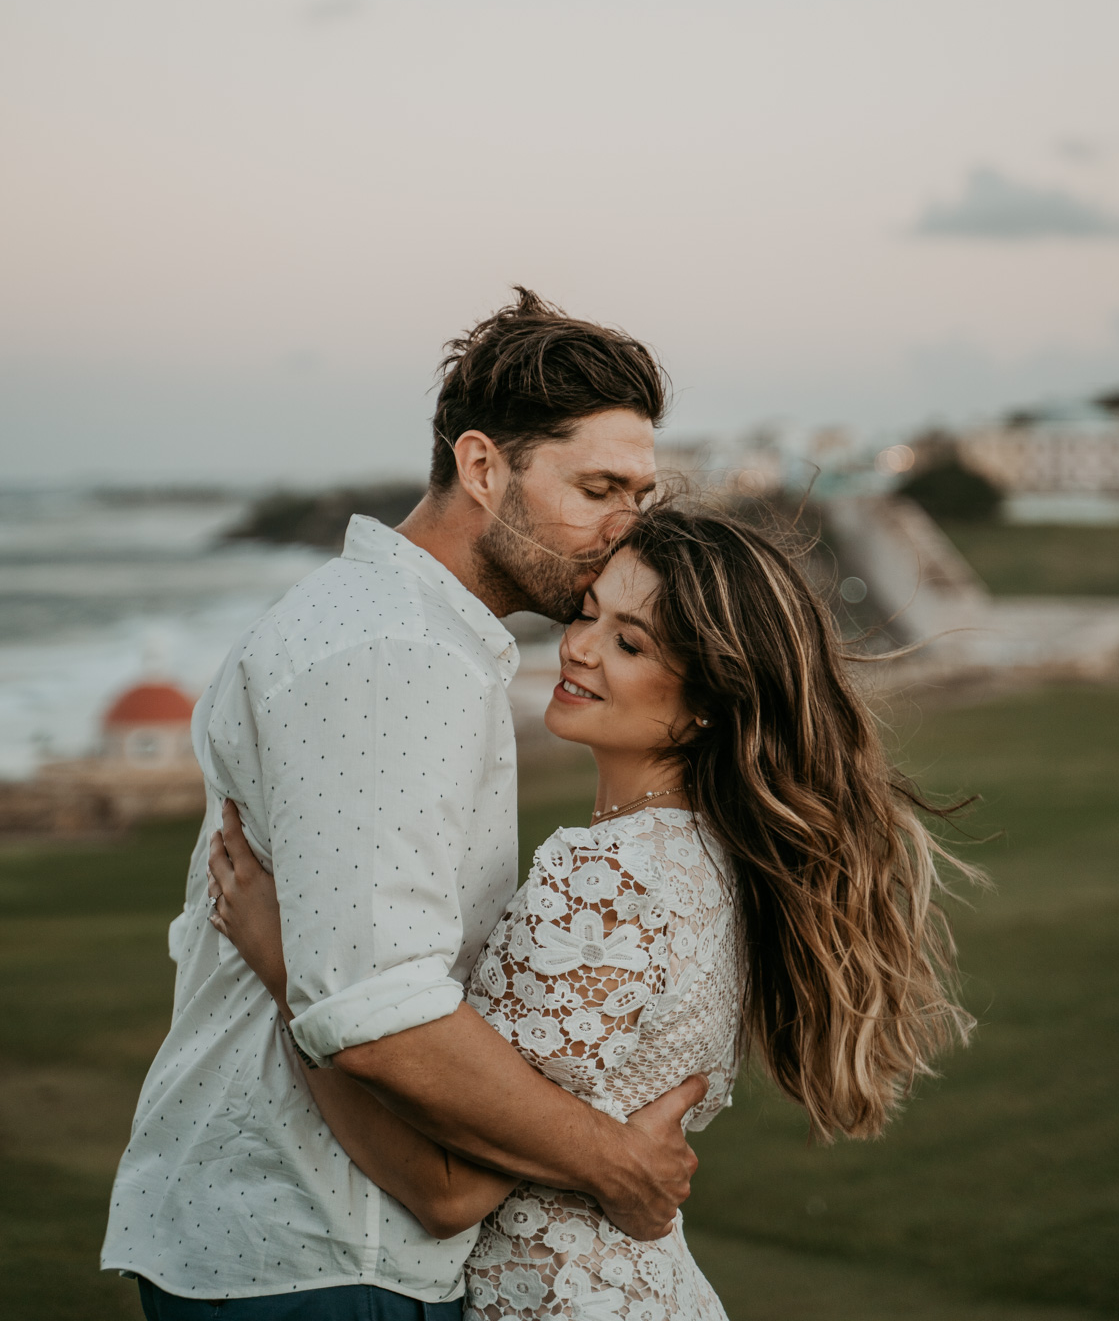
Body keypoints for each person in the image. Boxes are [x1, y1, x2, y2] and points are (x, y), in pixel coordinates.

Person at [207, 505, 979, 1321]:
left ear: (708, 703)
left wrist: (292, 970)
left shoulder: (606, 879)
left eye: (630, 642)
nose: (578, 646)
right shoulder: (714, 859)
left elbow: (446, 1191)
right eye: (587, 614)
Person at [104, 290, 708, 1320]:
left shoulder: (419, 638)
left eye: (639, 495)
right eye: (600, 487)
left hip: (325, 1241)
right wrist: (615, 1164)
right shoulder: (393, 652)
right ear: (483, 467)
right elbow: (376, 1011)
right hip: (320, 1248)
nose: (624, 531)